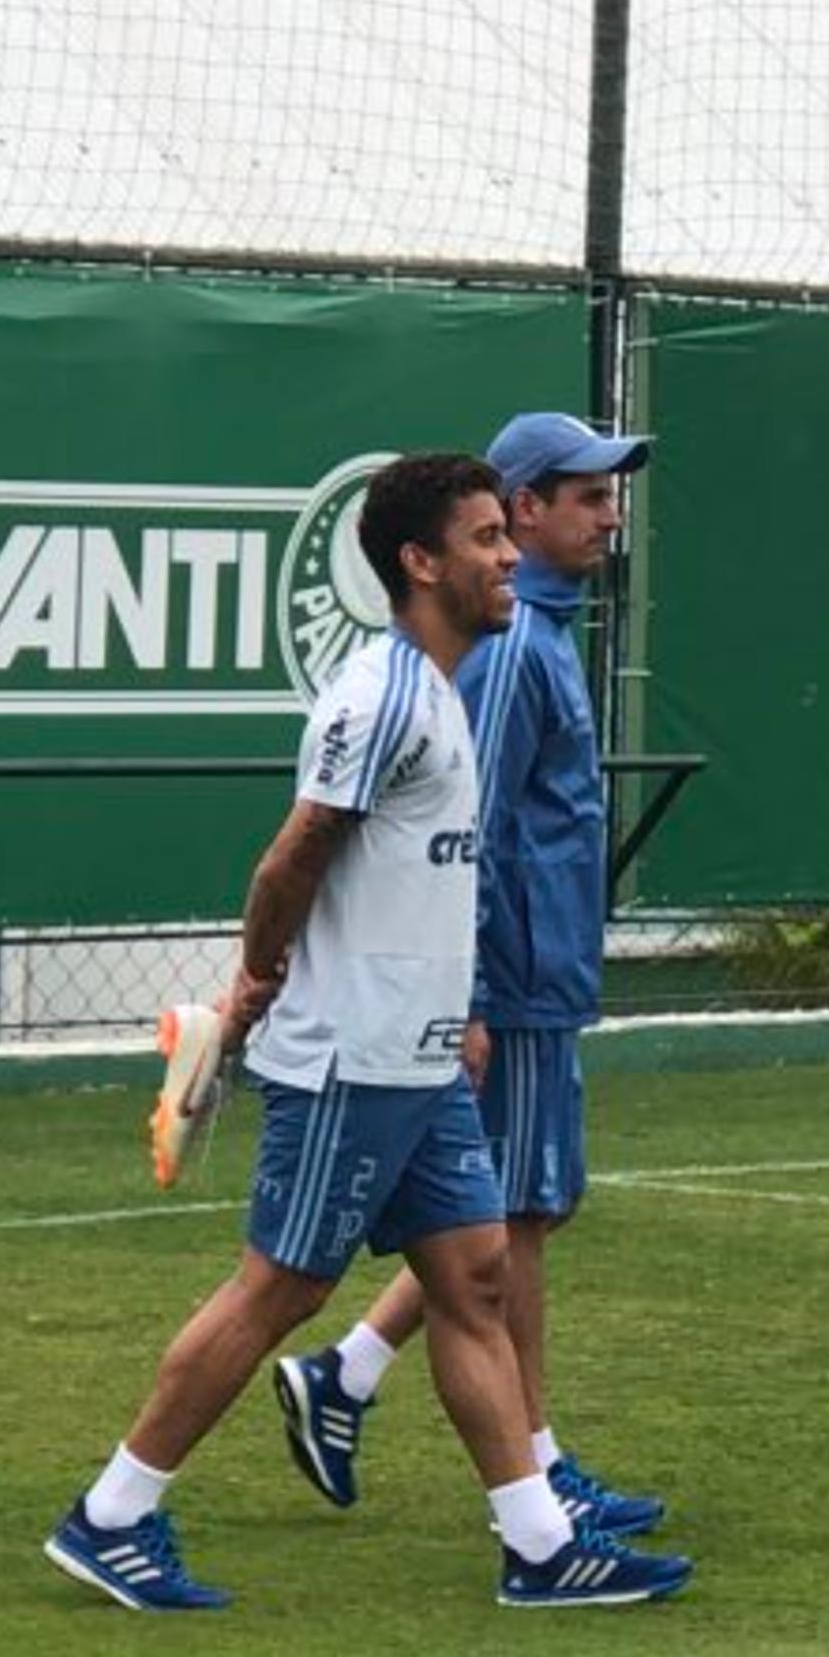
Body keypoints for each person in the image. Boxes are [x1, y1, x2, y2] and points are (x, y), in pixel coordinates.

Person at [42, 452, 691, 1615]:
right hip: (350, 1059)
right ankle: (112, 1516)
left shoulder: (446, 685)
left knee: (477, 1277)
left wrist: (460, 1016)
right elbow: (294, 855)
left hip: (421, 1054)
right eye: (488, 538)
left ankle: (539, 1546)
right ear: (421, 562)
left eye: (507, 534)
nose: (508, 556)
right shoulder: (385, 697)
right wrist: (255, 980)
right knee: (277, 1290)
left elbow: (413, 877)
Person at [268, 413, 668, 1539]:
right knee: (515, 1220)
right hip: (505, 985)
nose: (610, 516)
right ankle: (532, 1470)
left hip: (530, 979)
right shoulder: (505, 655)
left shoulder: (534, 636)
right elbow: (466, 834)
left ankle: (346, 1376)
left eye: (612, 495)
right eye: (586, 496)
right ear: (522, 512)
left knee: (495, 1219)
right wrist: (479, 994)